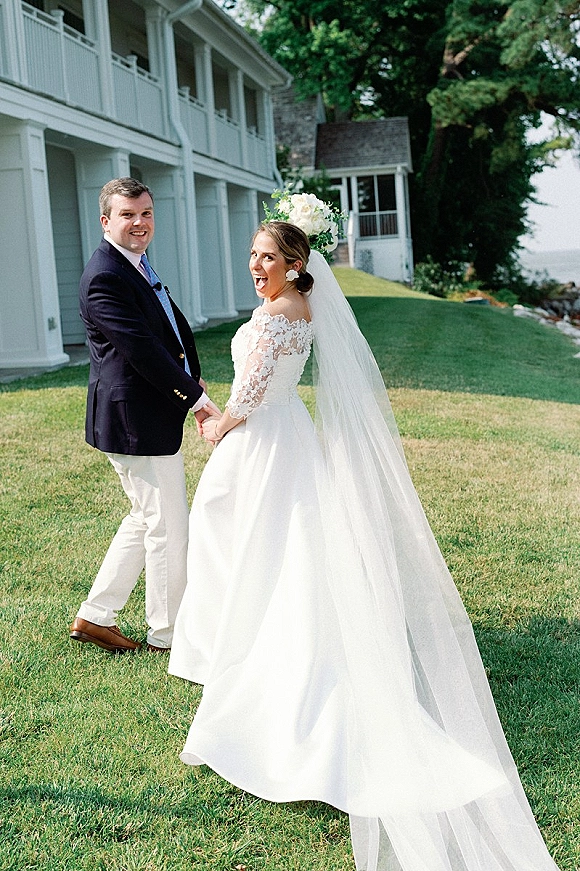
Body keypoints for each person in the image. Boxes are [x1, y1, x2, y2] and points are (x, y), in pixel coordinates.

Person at [168, 209, 561, 870]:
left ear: (296, 262)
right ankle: (247, 652)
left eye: (267, 256)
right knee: (282, 556)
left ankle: (259, 681)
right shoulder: (303, 306)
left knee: (255, 553)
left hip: (264, 442)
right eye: (254, 255)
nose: (256, 266)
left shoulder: (277, 314)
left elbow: (256, 391)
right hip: (289, 437)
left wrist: (216, 423)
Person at [70, 177, 218, 654]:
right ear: (106, 220)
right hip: (135, 420)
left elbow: (169, 331)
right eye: (128, 215)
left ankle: (96, 616)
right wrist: (194, 397)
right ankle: (168, 633)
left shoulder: (132, 264)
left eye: (147, 213)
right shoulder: (104, 276)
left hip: (144, 413)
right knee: (167, 526)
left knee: (145, 517)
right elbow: (142, 351)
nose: (139, 223)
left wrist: (192, 375)